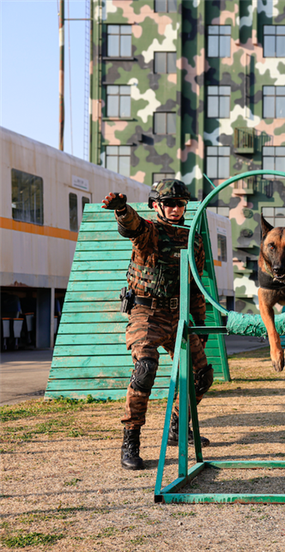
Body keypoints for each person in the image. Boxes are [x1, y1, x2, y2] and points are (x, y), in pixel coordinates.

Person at [102, 179, 214, 470]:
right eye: (169, 204)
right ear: (156, 205)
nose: (175, 209)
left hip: (179, 316)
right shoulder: (150, 232)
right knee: (145, 369)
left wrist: (199, 325)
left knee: (201, 375)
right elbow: (132, 226)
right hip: (147, 314)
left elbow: (197, 286)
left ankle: (178, 425)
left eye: (180, 204)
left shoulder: (194, 239)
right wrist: (122, 210)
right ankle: (131, 439)